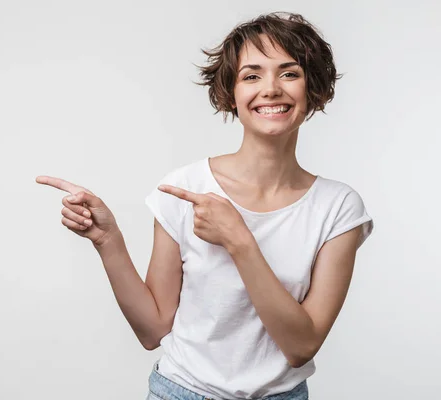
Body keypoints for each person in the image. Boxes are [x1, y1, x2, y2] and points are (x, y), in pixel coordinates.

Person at [36, 11, 374, 400]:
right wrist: (107, 240)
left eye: (289, 73)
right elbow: (152, 331)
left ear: (314, 88)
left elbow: (301, 347)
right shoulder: (186, 187)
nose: (270, 88)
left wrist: (239, 241)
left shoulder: (338, 207)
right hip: (180, 392)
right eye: (251, 75)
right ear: (230, 93)